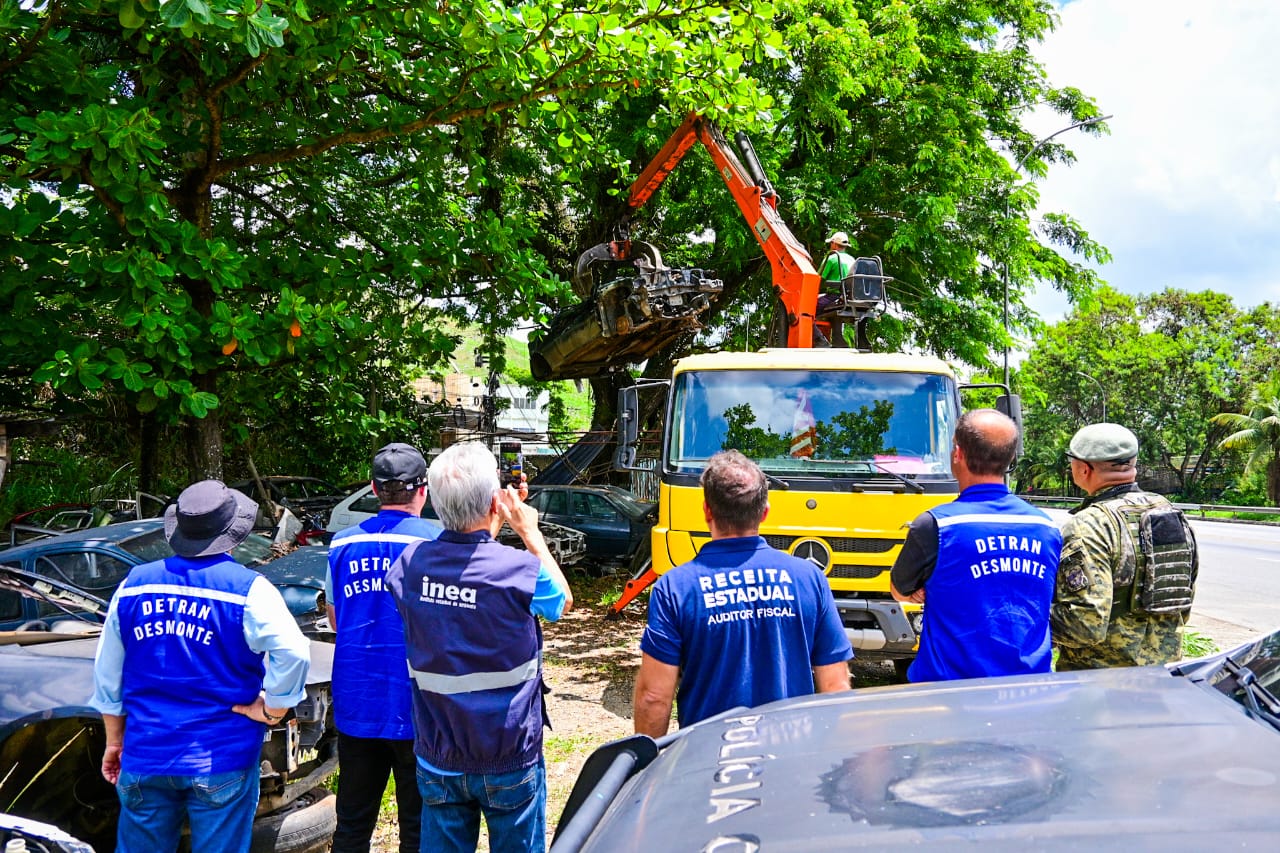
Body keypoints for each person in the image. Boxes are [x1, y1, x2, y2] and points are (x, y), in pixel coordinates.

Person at [90, 480, 311, 853]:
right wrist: (274, 708)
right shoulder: (249, 590)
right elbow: (295, 652)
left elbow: (107, 674)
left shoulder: (133, 586)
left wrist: (115, 741)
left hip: (146, 754)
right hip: (221, 755)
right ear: (233, 534)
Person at [384, 441, 573, 853]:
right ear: (494, 502)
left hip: (439, 754)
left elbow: (466, 561)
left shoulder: (409, 567)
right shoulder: (519, 570)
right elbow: (561, 600)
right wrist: (527, 529)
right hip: (507, 753)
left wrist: (490, 517)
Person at [633, 450, 852, 737]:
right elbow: (835, 687)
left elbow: (654, 697)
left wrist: (650, 767)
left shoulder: (675, 588)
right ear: (764, 512)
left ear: (707, 511)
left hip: (710, 763)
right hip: (790, 761)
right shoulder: (809, 579)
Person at [326, 443, 442, 853]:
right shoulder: (437, 544)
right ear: (423, 490)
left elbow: (337, 620)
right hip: (418, 705)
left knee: (352, 824)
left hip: (357, 700)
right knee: (418, 825)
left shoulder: (341, 545)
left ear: (374, 489)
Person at [890, 409, 1061, 682]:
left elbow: (899, 590)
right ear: (1011, 458)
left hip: (949, 692)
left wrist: (925, 589)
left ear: (957, 453)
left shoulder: (936, 525)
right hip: (1028, 687)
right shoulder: (1047, 528)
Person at [1053, 422, 1198, 670]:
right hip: (1161, 678)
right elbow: (1181, 603)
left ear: (1083, 468)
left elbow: (1084, 626)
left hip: (1099, 687)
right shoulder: (1168, 512)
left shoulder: (1089, 525)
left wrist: (1028, 620)